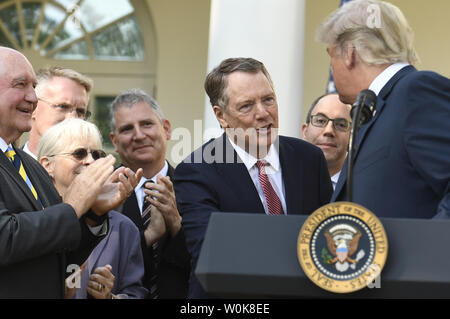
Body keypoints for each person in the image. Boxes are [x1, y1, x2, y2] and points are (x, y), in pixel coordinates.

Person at [173, 57, 333, 298]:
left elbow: (327, 237)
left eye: (268, 99)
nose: (263, 113)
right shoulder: (197, 170)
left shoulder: (309, 159)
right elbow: (211, 251)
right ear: (221, 116)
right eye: (246, 105)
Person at [0, 47, 140, 298]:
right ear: (48, 163)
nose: (32, 98)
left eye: (33, 87)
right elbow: (5, 237)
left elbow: (59, 259)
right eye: (20, 85)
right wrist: (74, 204)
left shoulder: (27, 166)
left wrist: (94, 216)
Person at [317, 0, 450, 218]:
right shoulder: (375, 111)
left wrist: (430, 248)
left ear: (350, 53)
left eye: (330, 54)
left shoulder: (415, 92)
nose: (332, 65)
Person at [38, 118, 148, 299]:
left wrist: (110, 297)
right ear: (47, 165)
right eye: (79, 154)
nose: (90, 161)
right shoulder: (34, 222)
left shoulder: (122, 227)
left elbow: (136, 293)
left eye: (97, 155)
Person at [109, 89, 191, 299]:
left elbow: (205, 263)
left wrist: (175, 222)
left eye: (146, 124)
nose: (138, 135)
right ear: (115, 141)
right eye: (127, 129)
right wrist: (147, 237)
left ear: (166, 129)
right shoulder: (103, 190)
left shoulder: (195, 186)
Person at [24, 66, 93, 159]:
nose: (73, 118)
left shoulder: (92, 169)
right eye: (63, 107)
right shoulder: (8, 166)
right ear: (33, 108)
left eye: (80, 111)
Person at [302, 93, 352, 189]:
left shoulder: (363, 187)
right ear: (305, 131)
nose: (329, 131)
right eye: (320, 121)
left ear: (352, 136)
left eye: (341, 124)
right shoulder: (286, 181)